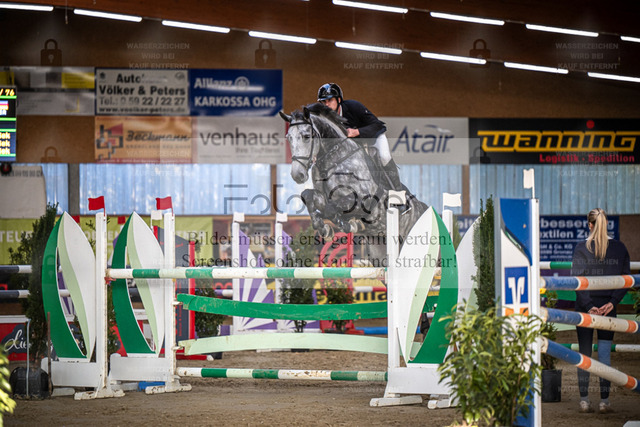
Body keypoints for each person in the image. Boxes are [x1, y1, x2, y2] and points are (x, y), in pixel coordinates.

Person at [571, 208, 630, 414]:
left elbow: (578, 282)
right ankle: (604, 402)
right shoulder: (620, 248)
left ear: (590, 225)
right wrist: (613, 302)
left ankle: (584, 401)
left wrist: (589, 305)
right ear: (607, 224)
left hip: (585, 309)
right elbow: (626, 279)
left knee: (584, 354)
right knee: (604, 355)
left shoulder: (581, 248)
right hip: (608, 309)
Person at [316, 82, 404, 192]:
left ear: (338, 100)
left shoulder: (354, 106)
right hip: (354, 146)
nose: (326, 104)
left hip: (373, 137)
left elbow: (377, 125)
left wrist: (357, 131)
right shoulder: (324, 118)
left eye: (330, 100)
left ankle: (398, 193)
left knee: (385, 156)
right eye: (323, 102)